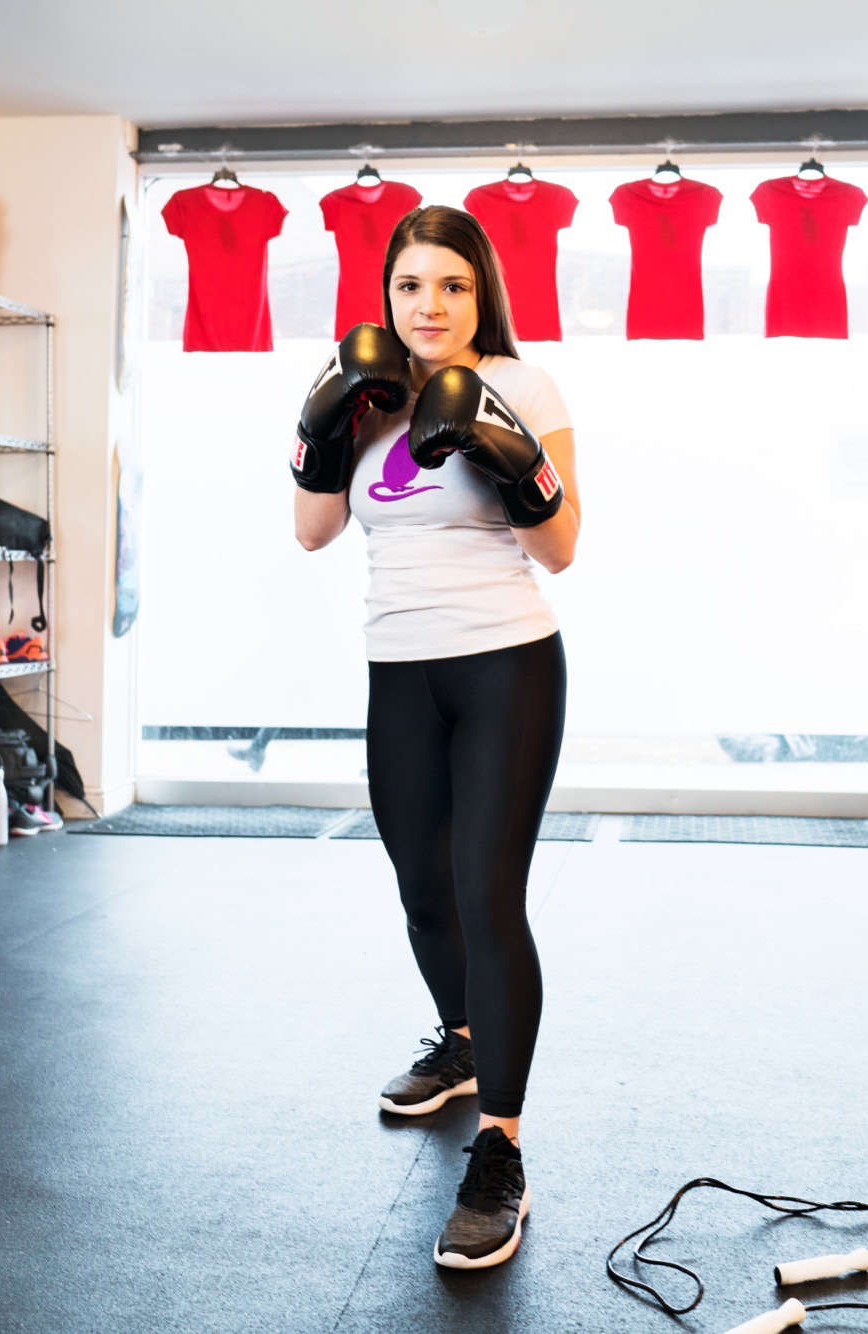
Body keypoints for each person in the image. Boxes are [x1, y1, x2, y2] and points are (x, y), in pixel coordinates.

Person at [291, 205, 580, 1270]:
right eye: (410, 285)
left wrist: (507, 452)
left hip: (507, 663)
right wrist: (325, 428)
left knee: (485, 893)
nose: (429, 305)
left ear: (479, 293)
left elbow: (561, 547)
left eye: (452, 285)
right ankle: (460, 1042)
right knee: (422, 891)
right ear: (387, 295)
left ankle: (501, 1148)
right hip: (398, 669)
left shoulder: (525, 385)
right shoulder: (360, 390)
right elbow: (312, 530)